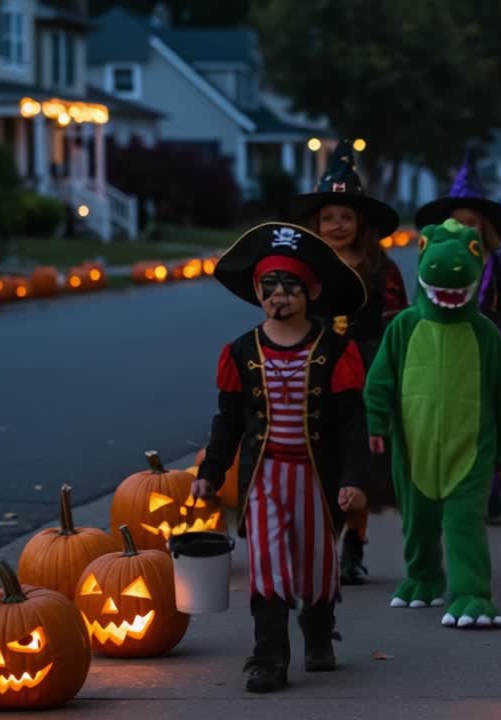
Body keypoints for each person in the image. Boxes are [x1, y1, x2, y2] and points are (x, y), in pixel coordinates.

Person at [193, 222, 370, 694]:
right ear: (257, 292)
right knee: (268, 564)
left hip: (317, 476)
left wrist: (354, 477)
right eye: (269, 287)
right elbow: (228, 420)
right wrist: (211, 471)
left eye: (290, 287)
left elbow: (353, 421)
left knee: (316, 562)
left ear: (311, 291)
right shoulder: (241, 353)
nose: (279, 297)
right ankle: (268, 656)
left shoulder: (335, 351)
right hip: (266, 477)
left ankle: (318, 635)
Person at [365, 218, 501, 629]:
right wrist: (375, 423)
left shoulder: (485, 333)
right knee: (416, 520)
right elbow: (380, 380)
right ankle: (422, 577)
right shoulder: (404, 325)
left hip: (470, 447)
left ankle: (472, 592)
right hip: (413, 445)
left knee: (464, 522)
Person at [283, 140, 407, 586]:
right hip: (313, 372)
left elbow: (396, 325)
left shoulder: (380, 268)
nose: (337, 225)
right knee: (318, 462)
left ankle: (354, 545)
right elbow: (284, 317)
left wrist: (392, 374)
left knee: (358, 466)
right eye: (329, 217)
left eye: (346, 217)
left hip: (367, 370)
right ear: (315, 223)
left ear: (362, 223)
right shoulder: (304, 267)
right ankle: (321, 546)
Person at [414, 147, 501, 522]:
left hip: (497, 345)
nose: (467, 229)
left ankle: (491, 489)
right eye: (459, 222)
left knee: (494, 415)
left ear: (486, 228)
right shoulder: (435, 265)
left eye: (474, 222)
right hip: (451, 347)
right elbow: (421, 309)